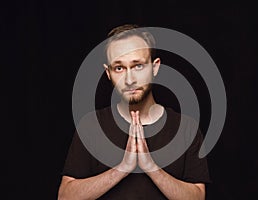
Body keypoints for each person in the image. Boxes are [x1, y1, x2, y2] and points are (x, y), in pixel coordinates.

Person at [58, 24, 211, 200]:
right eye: (119, 68)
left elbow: (198, 198)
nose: (129, 79)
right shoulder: (92, 125)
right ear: (108, 73)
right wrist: (122, 168)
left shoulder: (185, 128)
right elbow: (65, 197)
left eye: (138, 66)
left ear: (155, 67)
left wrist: (151, 168)